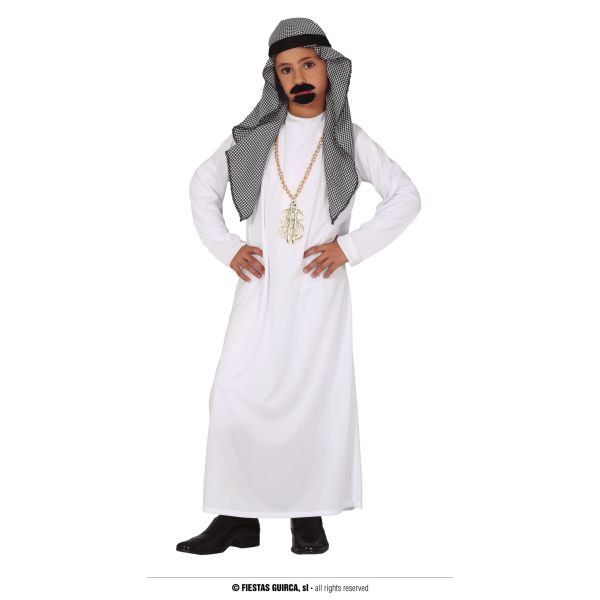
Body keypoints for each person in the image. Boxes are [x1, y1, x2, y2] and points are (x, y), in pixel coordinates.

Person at [177, 17, 421, 556]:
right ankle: (237, 518)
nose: (299, 78)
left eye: (308, 65)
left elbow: (405, 196)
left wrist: (350, 248)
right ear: (275, 78)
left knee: (314, 400)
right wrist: (227, 247)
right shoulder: (254, 137)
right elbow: (202, 184)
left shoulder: (348, 140)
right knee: (234, 393)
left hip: (318, 295)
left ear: (329, 69)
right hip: (260, 289)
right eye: (286, 70)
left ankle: (307, 518)